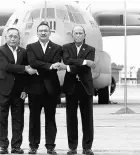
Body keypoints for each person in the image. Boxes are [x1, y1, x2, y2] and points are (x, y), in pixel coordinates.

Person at [0, 27, 37, 154]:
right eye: (10, 36)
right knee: (1, 118)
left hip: (19, 91)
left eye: (15, 36)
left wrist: (25, 89)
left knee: (18, 119)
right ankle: (3, 146)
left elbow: (26, 75)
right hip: (3, 89)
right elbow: (4, 66)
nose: (13, 38)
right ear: (6, 38)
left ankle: (16, 146)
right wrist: (24, 68)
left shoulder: (24, 52)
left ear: (19, 39)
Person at [26, 21, 62, 154]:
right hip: (34, 88)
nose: (43, 32)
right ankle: (33, 146)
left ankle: (50, 146)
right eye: (40, 30)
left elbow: (56, 65)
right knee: (34, 118)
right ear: (37, 33)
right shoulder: (31, 47)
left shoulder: (58, 48)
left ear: (50, 33)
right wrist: (49, 66)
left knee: (50, 118)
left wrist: (41, 68)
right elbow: (32, 62)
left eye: (45, 31)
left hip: (51, 89)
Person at [58, 25, 96, 155]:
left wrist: (68, 68)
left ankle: (87, 147)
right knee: (71, 118)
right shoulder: (66, 48)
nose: (78, 35)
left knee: (87, 119)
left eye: (81, 33)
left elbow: (76, 66)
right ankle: (72, 147)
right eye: (76, 33)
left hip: (85, 87)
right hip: (71, 87)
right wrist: (85, 62)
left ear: (85, 35)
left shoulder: (91, 49)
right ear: (72, 35)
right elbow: (67, 60)